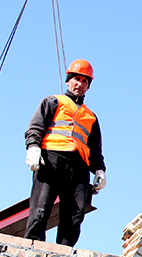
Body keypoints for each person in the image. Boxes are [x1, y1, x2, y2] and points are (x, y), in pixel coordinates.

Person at [23, 59, 106, 247]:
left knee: (74, 215)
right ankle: (32, 247)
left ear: (88, 86)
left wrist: (99, 170)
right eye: (77, 79)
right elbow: (35, 127)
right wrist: (33, 147)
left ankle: (64, 252)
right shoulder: (53, 101)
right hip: (51, 160)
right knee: (41, 207)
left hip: (79, 167)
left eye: (84, 81)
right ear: (68, 81)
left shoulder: (91, 117)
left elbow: (95, 149)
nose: (80, 84)